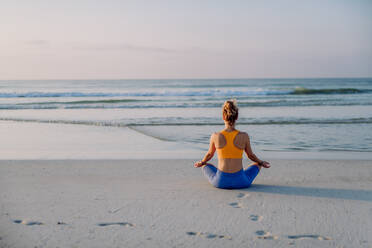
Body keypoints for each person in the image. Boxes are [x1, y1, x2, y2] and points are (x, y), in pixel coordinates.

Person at [194, 100, 270, 189]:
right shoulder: (244, 136)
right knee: (257, 165)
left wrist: (201, 162)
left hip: (220, 182)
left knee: (206, 165)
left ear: (223, 116)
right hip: (241, 182)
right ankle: (244, 173)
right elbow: (251, 156)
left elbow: (209, 155)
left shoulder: (215, 136)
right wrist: (261, 162)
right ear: (237, 117)